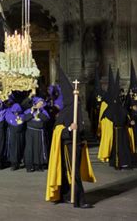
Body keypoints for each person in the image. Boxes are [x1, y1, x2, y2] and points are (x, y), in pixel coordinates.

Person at [45, 65, 95, 208]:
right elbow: (57, 131)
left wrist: (82, 137)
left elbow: (80, 126)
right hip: (68, 145)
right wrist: (68, 128)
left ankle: (68, 195)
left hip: (77, 144)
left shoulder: (76, 109)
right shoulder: (66, 112)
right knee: (74, 173)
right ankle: (80, 201)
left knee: (74, 173)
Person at [24, 97, 50, 172]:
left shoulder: (43, 111)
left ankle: (38, 165)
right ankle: (29, 166)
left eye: (42, 104)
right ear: (35, 103)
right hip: (30, 133)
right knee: (30, 148)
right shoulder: (29, 111)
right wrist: (31, 113)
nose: (41, 105)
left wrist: (40, 114)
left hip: (39, 132)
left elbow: (46, 119)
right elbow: (25, 119)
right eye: (39, 103)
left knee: (39, 149)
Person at [5, 103, 26, 170]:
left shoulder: (22, 116)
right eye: (15, 112)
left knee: (19, 148)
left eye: (18, 112)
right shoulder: (9, 116)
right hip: (12, 134)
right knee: (13, 149)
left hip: (20, 135)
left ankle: (18, 162)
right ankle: (13, 163)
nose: (16, 113)